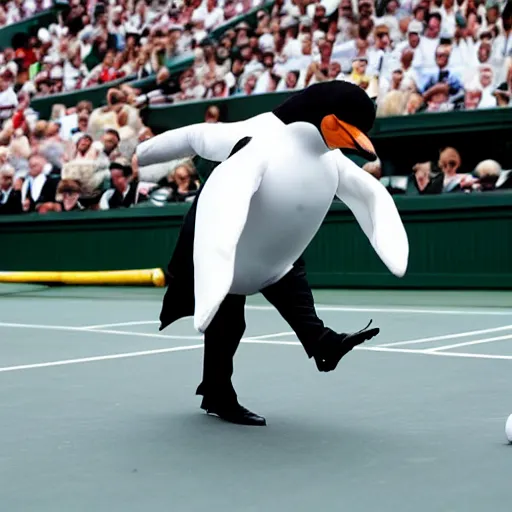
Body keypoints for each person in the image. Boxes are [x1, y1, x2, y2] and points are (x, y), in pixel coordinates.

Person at [136, 84, 390, 426]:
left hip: (274, 257)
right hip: (232, 250)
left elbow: (367, 193)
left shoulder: (329, 159)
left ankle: (322, 344)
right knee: (228, 323)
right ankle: (217, 392)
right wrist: (144, 154)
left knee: (296, 295)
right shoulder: (258, 139)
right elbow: (196, 137)